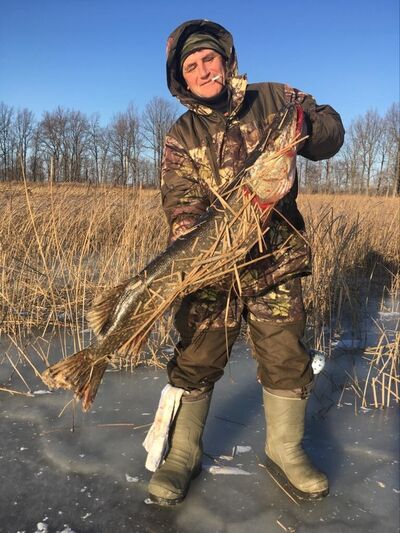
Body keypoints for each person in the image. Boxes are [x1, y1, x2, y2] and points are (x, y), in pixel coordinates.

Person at [146, 19, 345, 506]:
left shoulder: (274, 98)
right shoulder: (181, 134)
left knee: (285, 354)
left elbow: (331, 135)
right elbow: (181, 202)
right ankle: (182, 453)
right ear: (181, 79)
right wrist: (195, 249)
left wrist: (308, 125)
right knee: (196, 355)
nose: (203, 70)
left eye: (209, 58)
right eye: (191, 66)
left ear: (226, 60)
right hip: (212, 266)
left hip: (275, 259)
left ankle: (284, 449)